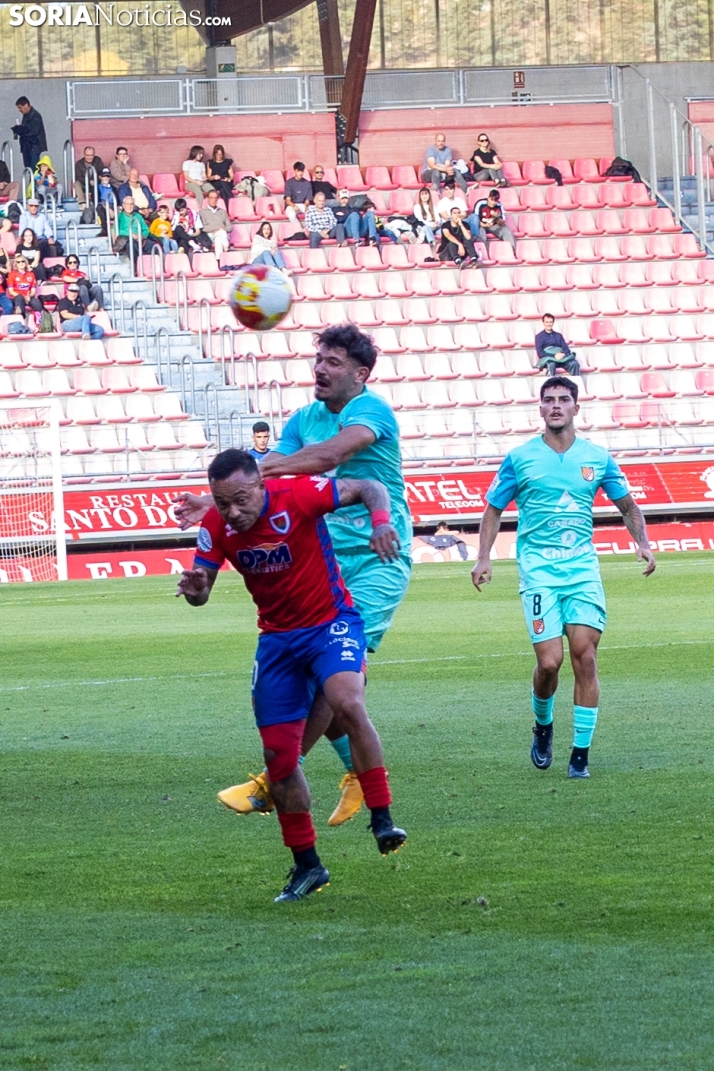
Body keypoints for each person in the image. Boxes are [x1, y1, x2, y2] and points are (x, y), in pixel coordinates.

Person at [175, 324, 413, 826]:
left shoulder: (370, 410)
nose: (319, 368)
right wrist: (220, 499)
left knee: (337, 684)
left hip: (376, 555)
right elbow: (272, 464)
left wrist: (244, 487)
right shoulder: (305, 417)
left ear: (360, 373)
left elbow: (328, 457)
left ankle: (273, 780)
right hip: (324, 555)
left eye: (332, 361)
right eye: (318, 358)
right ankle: (354, 772)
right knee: (315, 678)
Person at [177, 449, 407, 902]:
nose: (233, 512)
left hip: (331, 623)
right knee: (279, 759)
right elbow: (200, 591)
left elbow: (368, 487)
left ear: (261, 485)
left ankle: (382, 818)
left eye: (241, 499)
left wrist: (381, 521)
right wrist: (197, 591)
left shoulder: (299, 495)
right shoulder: (215, 527)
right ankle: (308, 866)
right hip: (278, 642)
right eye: (223, 503)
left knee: (347, 701)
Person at [471, 376, 656, 779]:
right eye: (549, 400)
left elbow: (627, 505)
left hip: (582, 571)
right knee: (550, 664)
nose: (556, 405)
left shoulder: (597, 457)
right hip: (538, 573)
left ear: (576, 407)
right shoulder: (520, 458)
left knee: (585, 657)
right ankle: (543, 726)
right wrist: (484, 557)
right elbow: (492, 509)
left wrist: (642, 541)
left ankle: (580, 756)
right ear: (540, 409)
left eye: (564, 399)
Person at [11, 97, 47, 171]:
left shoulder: (35, 116)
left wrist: (20, 130)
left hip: (34, 146)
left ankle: (35, 182)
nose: (19, 110)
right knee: (29, 168)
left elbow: (33, 131)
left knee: (33, 169)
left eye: (20, 108)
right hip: (27, 146)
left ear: (26, 105)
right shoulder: (27, 115)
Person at [6, 253, 43, 318]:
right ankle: (22, 319)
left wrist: (29, 296)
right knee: (19, 299)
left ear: (25, 263)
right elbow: (11, 291)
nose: (21, 263)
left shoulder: (31, 274)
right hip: (16, 297)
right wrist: (22, 297)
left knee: (37, 304)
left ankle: (38, 324)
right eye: (18, 262)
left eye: (23, 261)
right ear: (16, 264)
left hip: (28, 297)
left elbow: (33, 290)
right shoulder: (12, 274)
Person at [199, 189, 231, 257]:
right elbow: (204, 228)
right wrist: (219, 229)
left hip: (221, 235)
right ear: (207, 199)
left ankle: (219, 260)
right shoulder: (202, 212)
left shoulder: (222, 211)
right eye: (212, 198)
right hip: (210, 235)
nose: (214, 200)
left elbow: (229, 227)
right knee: (221, 232)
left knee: (218, 239)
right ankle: (226, 246)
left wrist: (221, 230)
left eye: (216, 198)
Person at [283, 162, 312, 229]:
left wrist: (306, 205)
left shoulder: (307, 183)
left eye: (302, 171)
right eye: (298, 171)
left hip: (302, 205)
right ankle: (299, 230)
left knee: (313, 211)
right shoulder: (289, 183)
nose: (300, 173)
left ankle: (308, 229)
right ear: (295, 171)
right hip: (291, 205)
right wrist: (293, 206)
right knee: (291, 214)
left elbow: (308, 199)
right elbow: (287, 200)